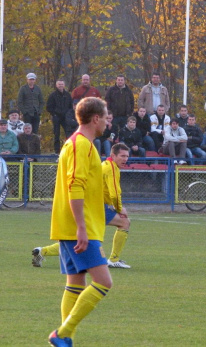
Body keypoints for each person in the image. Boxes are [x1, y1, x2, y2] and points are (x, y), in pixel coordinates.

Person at [45, 97, 112, 346]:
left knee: (75, 282)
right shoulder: (80, 145)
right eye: (105, 117)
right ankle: (62, 333)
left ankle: (66, 338)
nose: (107, 121)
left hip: (74, 225)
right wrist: (82, 227)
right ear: (95, 118)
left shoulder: (80, 144)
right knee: (104, 282)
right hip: (79, 226)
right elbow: (75, 186)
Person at [32, 143, 134, 269]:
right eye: (122, 156)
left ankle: (42, 251)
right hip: (96, 206)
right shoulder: (111, 168)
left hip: (92, 204)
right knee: (124, 223)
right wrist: (120, 208)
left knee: (81, 238)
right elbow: (114, 193)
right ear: (113, 155)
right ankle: (113, 259)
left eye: (127, 156)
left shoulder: (106, 165)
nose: (125, 159)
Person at [47, 79, 73, 154]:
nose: (60, 86)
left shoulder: (67, 95)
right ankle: (57, 151)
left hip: (66, 117)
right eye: (59, 84)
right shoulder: (52, 95)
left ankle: (69, 148)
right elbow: (48, 107)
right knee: (56, 134)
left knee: (68, 133)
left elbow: (71, 106)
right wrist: (54, 114)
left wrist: (68, 115)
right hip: (56, 117)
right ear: (56, 85)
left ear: (64, 85)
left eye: (62, 84)